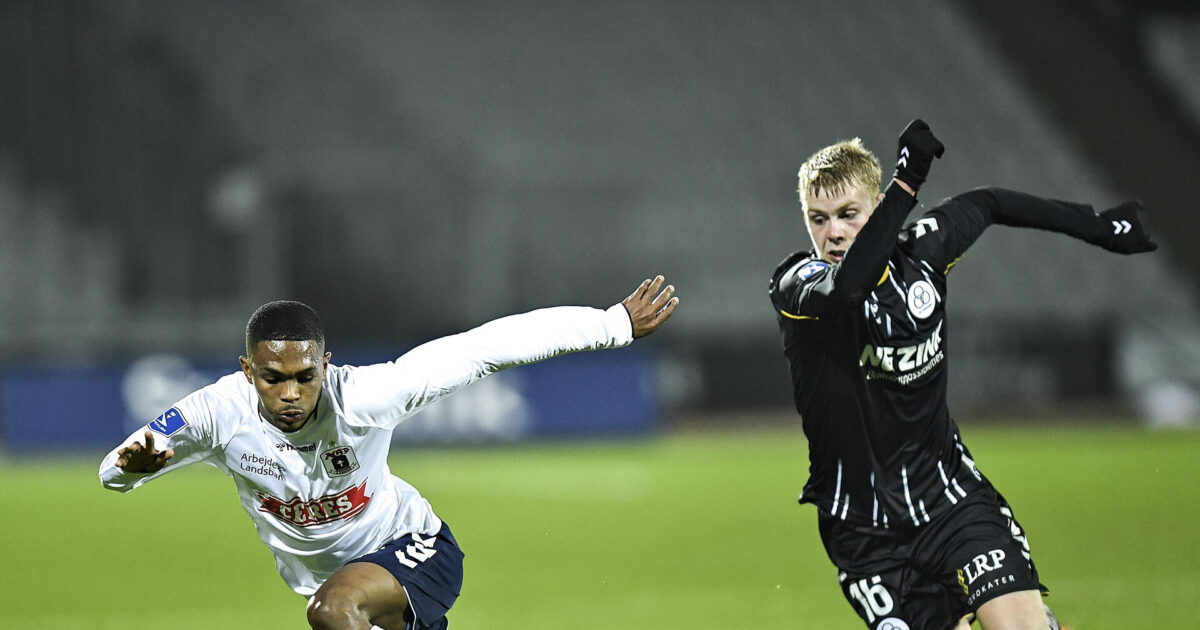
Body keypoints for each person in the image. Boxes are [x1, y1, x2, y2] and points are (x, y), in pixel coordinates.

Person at [100, 276, 678, 630]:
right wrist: (130, 471)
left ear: (326, 365)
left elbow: (482, 349)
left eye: (305, 376)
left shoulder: (368, 397)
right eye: (274, 378)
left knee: (330, 612)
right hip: (349, 594)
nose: (291, 394)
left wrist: (611, 325)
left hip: (414, 551)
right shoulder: (215, 414)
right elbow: (114, 470)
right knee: (333, 609)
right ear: (247, 370)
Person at [768, 119, 1155, 630]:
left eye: (847, 214)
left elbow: (989, 202)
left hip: (950, 500)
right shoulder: (797, 286)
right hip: (866, 536)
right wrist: (907, 188)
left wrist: (1099, 227)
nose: (833, 232)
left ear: (875, 205)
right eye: (818, 219)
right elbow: (848, 291)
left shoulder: (924, 256)